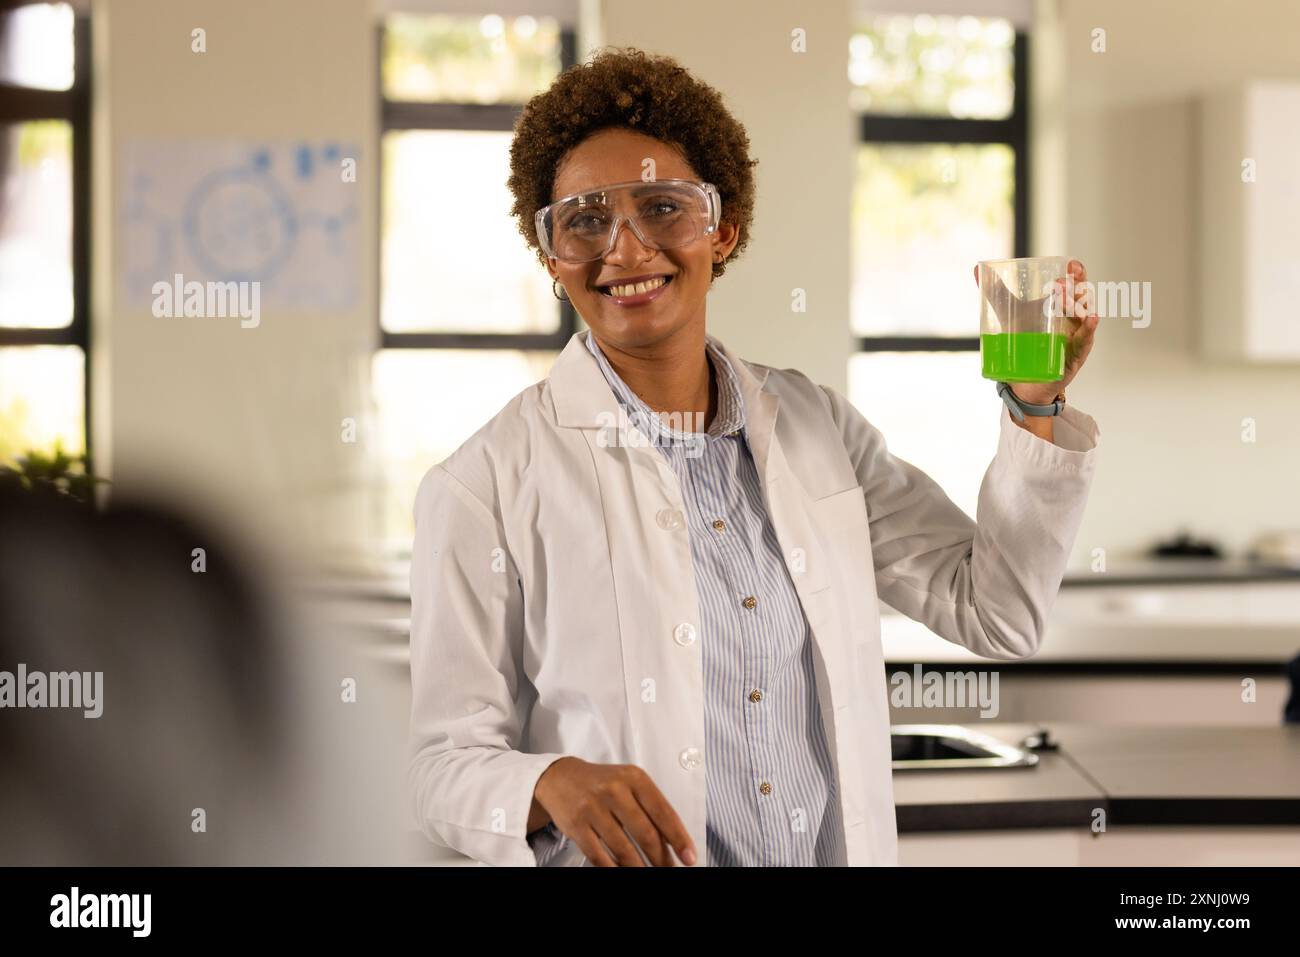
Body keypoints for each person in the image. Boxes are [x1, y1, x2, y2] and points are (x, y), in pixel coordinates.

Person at [407, 47, 1101, 867]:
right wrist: (549, 779)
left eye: (663, 208)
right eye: (585, 220)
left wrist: (1034, 405)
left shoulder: (814, 427)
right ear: (553, 257)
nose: (625, 251)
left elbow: (997, 611)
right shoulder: (484, 481)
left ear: (721, 228)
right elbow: (441, 765)